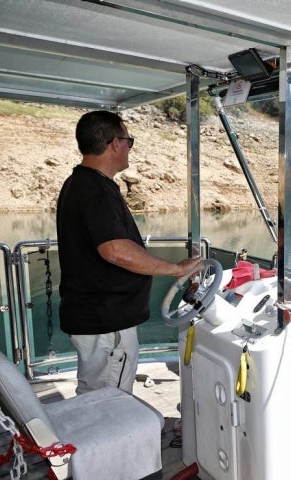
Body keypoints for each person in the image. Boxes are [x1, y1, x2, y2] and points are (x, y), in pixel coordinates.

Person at [57, 110, 202, 395]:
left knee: (95, 392)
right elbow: (116, 250)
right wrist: (176, 269)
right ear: (115, 143)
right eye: (128, 141)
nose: (129, 148)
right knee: (109, 399)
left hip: (96, 318)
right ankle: (105, 440)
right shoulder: (94, 188)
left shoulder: (82, 183)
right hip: (105, 322)